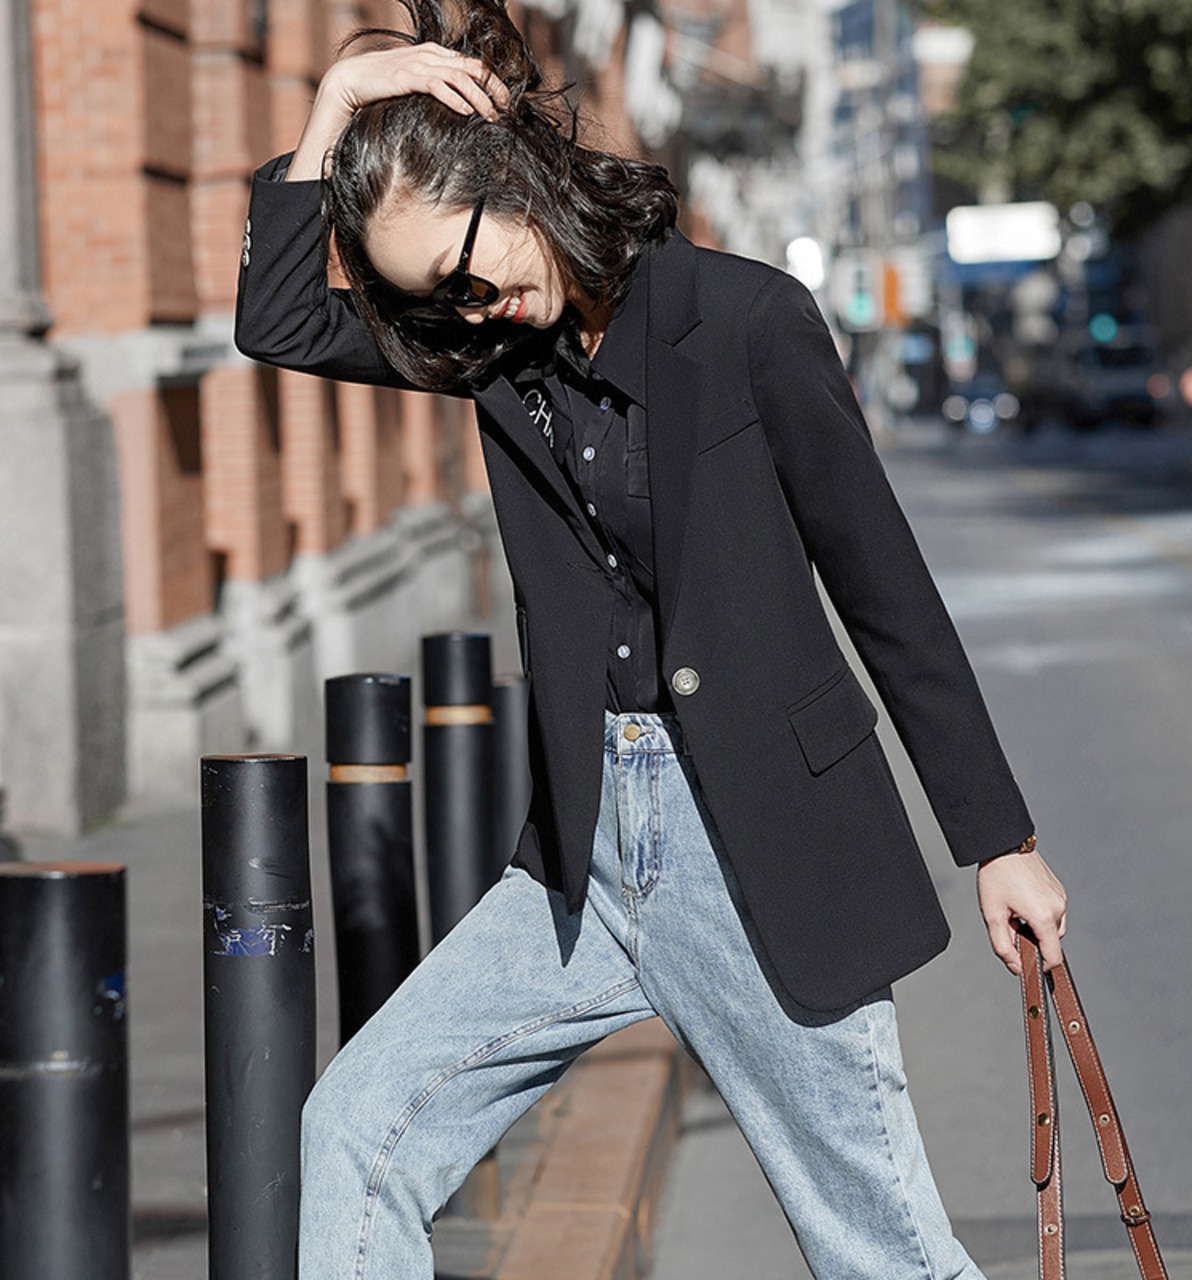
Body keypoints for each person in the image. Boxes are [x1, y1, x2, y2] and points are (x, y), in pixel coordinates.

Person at [234, 3, 1067, 1276]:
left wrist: (997, 839)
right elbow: (281, 321)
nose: (465, 307)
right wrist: (336, 108)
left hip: (756, 849)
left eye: (462, 271)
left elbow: (884, 590)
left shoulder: (746, 322)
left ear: (512, 179)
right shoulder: (490, 351)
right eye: (431, 298)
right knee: (355, 1128)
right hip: (583, 862)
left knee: (878, 1252)